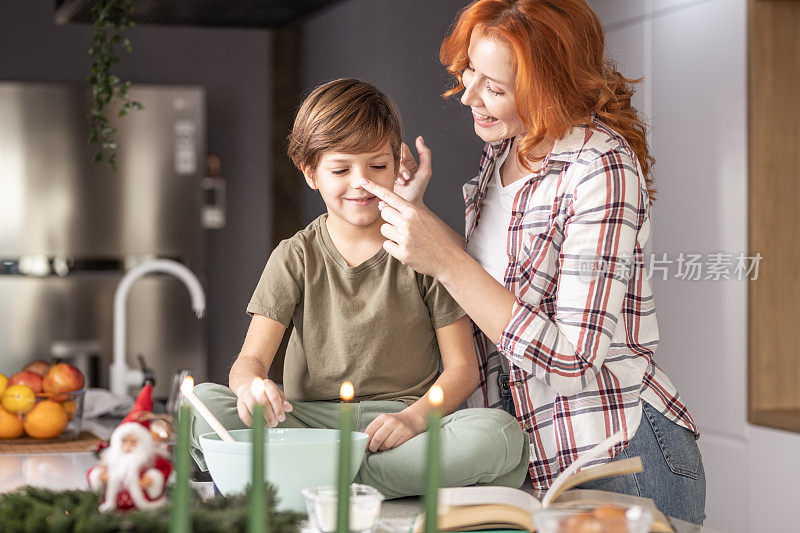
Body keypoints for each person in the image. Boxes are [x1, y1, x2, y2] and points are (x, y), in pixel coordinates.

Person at [358, 0, 706, 524]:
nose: (469, 95)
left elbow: (571, 360)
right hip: (541, 459)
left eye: (494, 88)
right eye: (470, 71)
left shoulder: (600, 170)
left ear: (550, 87)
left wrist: (447, 261)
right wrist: (421, 220)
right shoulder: (508, 148)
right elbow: (500, 289)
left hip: (620, 459)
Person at [188, 78, 530, 499]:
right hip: (309, 426)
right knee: (200, 405)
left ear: (398, 164)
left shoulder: (424, 251)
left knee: (497, 433)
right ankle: (357, 480)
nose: (360, 183)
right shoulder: (294, 257)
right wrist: (252, 388)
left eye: (377, 166)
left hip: (402, 429)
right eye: (340, 169)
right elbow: (249, 361)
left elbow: (462, 369)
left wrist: (414, 420)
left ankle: (309, 481)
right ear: (311, 173)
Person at [87, 421, 172, 512]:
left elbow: (165, 468)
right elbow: (94, 472)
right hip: (114, 505)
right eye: (124, 441)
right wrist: (99, 475)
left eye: (133, 441)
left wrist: (152, 478)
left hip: (144, 506)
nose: (128, 445)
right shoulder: (111, 459)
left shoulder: (150, 459)